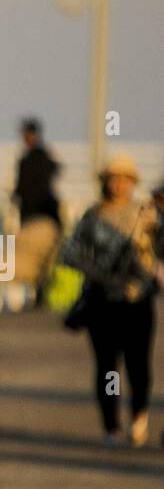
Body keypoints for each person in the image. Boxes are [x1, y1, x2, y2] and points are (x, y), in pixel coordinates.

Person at [61, 153, 160, 447]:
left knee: (139, 365)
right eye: (113, 179)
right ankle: (112, 427)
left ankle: (139, 416)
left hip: (138, 301)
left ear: (132, 183)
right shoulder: (93, 216)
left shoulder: (148, 214)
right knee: (107, 367)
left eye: (124, 179)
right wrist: (99, 274)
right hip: (103, 303)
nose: (118, 185)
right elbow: (70, 253)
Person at [12, 117, 63, 305]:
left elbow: (21, 189)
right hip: (48, 217)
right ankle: (42, 293)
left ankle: (39, 294)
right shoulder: (46, 157)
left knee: (32, 257)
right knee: (47, 258)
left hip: (34, 218)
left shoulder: (28, 160)